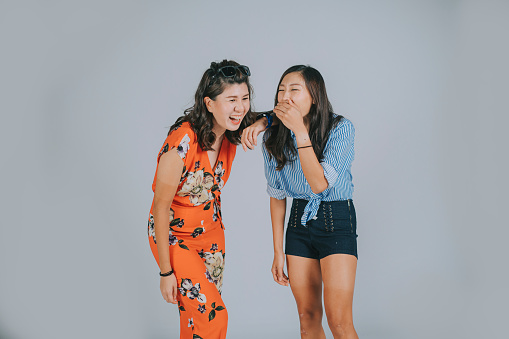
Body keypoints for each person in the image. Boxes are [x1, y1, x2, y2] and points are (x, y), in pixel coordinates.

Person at [242, 65, 359, 339]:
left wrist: (300, 131)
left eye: (294, 90)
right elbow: (277, 196)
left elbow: (319, 184)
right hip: (298, 221)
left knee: (339, 321)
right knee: (307, 319)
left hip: (336, 218)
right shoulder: (273, 136)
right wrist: (277, 251)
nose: (285, 96)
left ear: (314, 96)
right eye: (281, 90)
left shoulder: (341, 129)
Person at [148, 60, 253, 339]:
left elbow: (273, 116)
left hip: (212, 236)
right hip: (175, 237)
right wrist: (165, 272)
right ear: (209, 103)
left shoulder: (232, 128)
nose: (240, 108)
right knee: (214, 318)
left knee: (196, 323)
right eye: (231, 100)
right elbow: (159, 209)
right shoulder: (183, 140)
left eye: (245, 98)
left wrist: (261, 122)